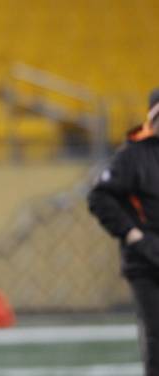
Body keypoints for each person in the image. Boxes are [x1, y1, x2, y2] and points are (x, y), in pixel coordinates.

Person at [88, 88, 159, 376]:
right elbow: (100, 198)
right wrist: (133, 235)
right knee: (158, 336)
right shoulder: (133, 155)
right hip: (146, 260)